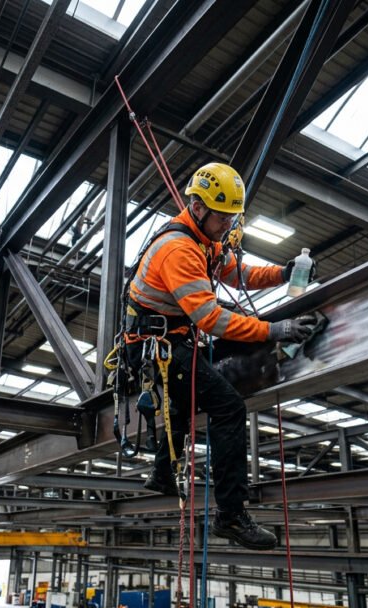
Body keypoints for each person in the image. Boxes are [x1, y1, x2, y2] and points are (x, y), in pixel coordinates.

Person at [125, 161, 317, 550]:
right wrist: (272, 331)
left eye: (233, 218)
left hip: (162, 342)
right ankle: (231, 515)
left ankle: (163, 473)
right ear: (198, 208)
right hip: (157, 347)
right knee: (228, 407)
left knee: (182, 404)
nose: (229, 226)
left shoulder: (205, 241)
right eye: (223, 218)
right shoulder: (179, 250)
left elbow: (237, 273)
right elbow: (211, 319)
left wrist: (283, 273)